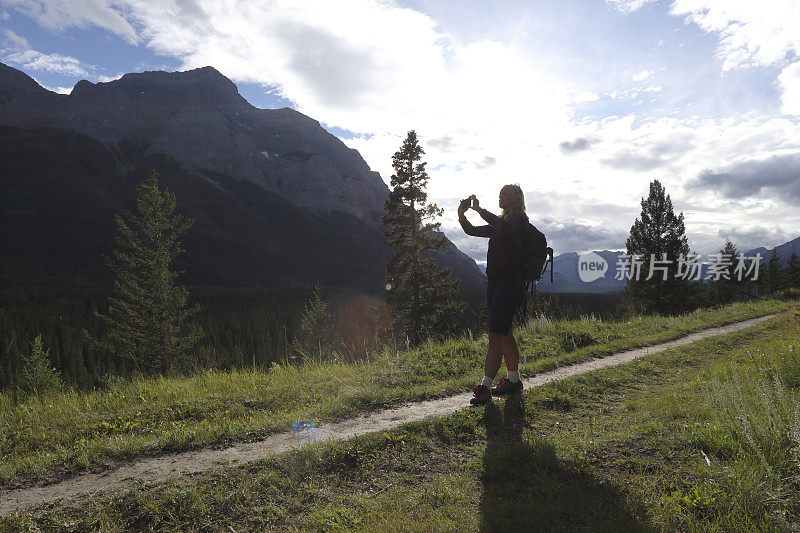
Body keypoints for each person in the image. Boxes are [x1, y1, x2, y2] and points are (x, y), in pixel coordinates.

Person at [458, 184, 528, 405]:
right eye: (500, 193)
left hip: (510, 283)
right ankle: (514, 381)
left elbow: (501, 225)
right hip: (496, 283)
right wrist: (461, 216)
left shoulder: (518, 221)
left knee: (495, 335)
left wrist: (479, 210)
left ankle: (485, 386)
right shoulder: (501, 224)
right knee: (505, 332)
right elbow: (473, 231)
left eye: (505, 193)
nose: (501, 195)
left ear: (517, 197)